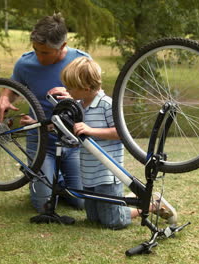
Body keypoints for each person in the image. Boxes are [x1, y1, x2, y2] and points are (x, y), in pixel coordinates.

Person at [60, 57, 177, 229]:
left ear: (85, 88)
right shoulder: (78, 106)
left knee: (113, 221)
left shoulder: (107, 105)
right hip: (88, 171)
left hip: (107, 172)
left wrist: (90, 131)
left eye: (70, 87)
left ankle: (152, 205)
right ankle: (128, 201)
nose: (66, 90)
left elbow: (120, 133)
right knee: (94, 219)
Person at [0, 13, 87, 213]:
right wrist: (4, 99)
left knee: (80, 202)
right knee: (43, 206)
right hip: (40, 141)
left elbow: (94, 98)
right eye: (35, 50)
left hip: (71, 140)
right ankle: (49, 181)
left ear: (62, 46)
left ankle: (57, 180)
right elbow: (11, 89)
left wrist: (70, 95)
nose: (39, 56)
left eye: (45, 53)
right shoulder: (25, 64)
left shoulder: (81, 61)